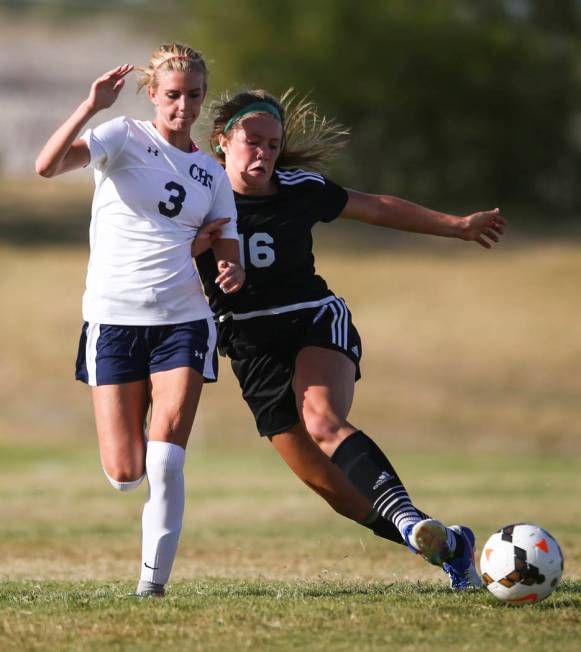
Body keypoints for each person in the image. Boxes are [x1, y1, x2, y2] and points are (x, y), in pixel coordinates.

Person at [196, 90, 507, 590]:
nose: (264, 154)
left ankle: (408, 521)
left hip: (312, 322)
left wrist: (458, 227)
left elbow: (377, 208)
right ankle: (450, 545)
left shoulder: (301, 188)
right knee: (334, 490)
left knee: (322, 420)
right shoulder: (198, 197)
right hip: (251, 349)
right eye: (252, 142)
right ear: (222, 142)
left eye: (273, 145)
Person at [35, 43, 244, 598]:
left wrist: (229, 268)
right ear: (152, 94)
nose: (183, 106)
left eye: (193, 95)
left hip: (183, 322)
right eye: (173, 95)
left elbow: (229, 245)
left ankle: (152, 587)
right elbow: (47, 165)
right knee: (128, 473)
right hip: (112, 319)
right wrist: (89, 107)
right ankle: (138, 434)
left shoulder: (211, 174)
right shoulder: (122, 135)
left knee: (168, 455)